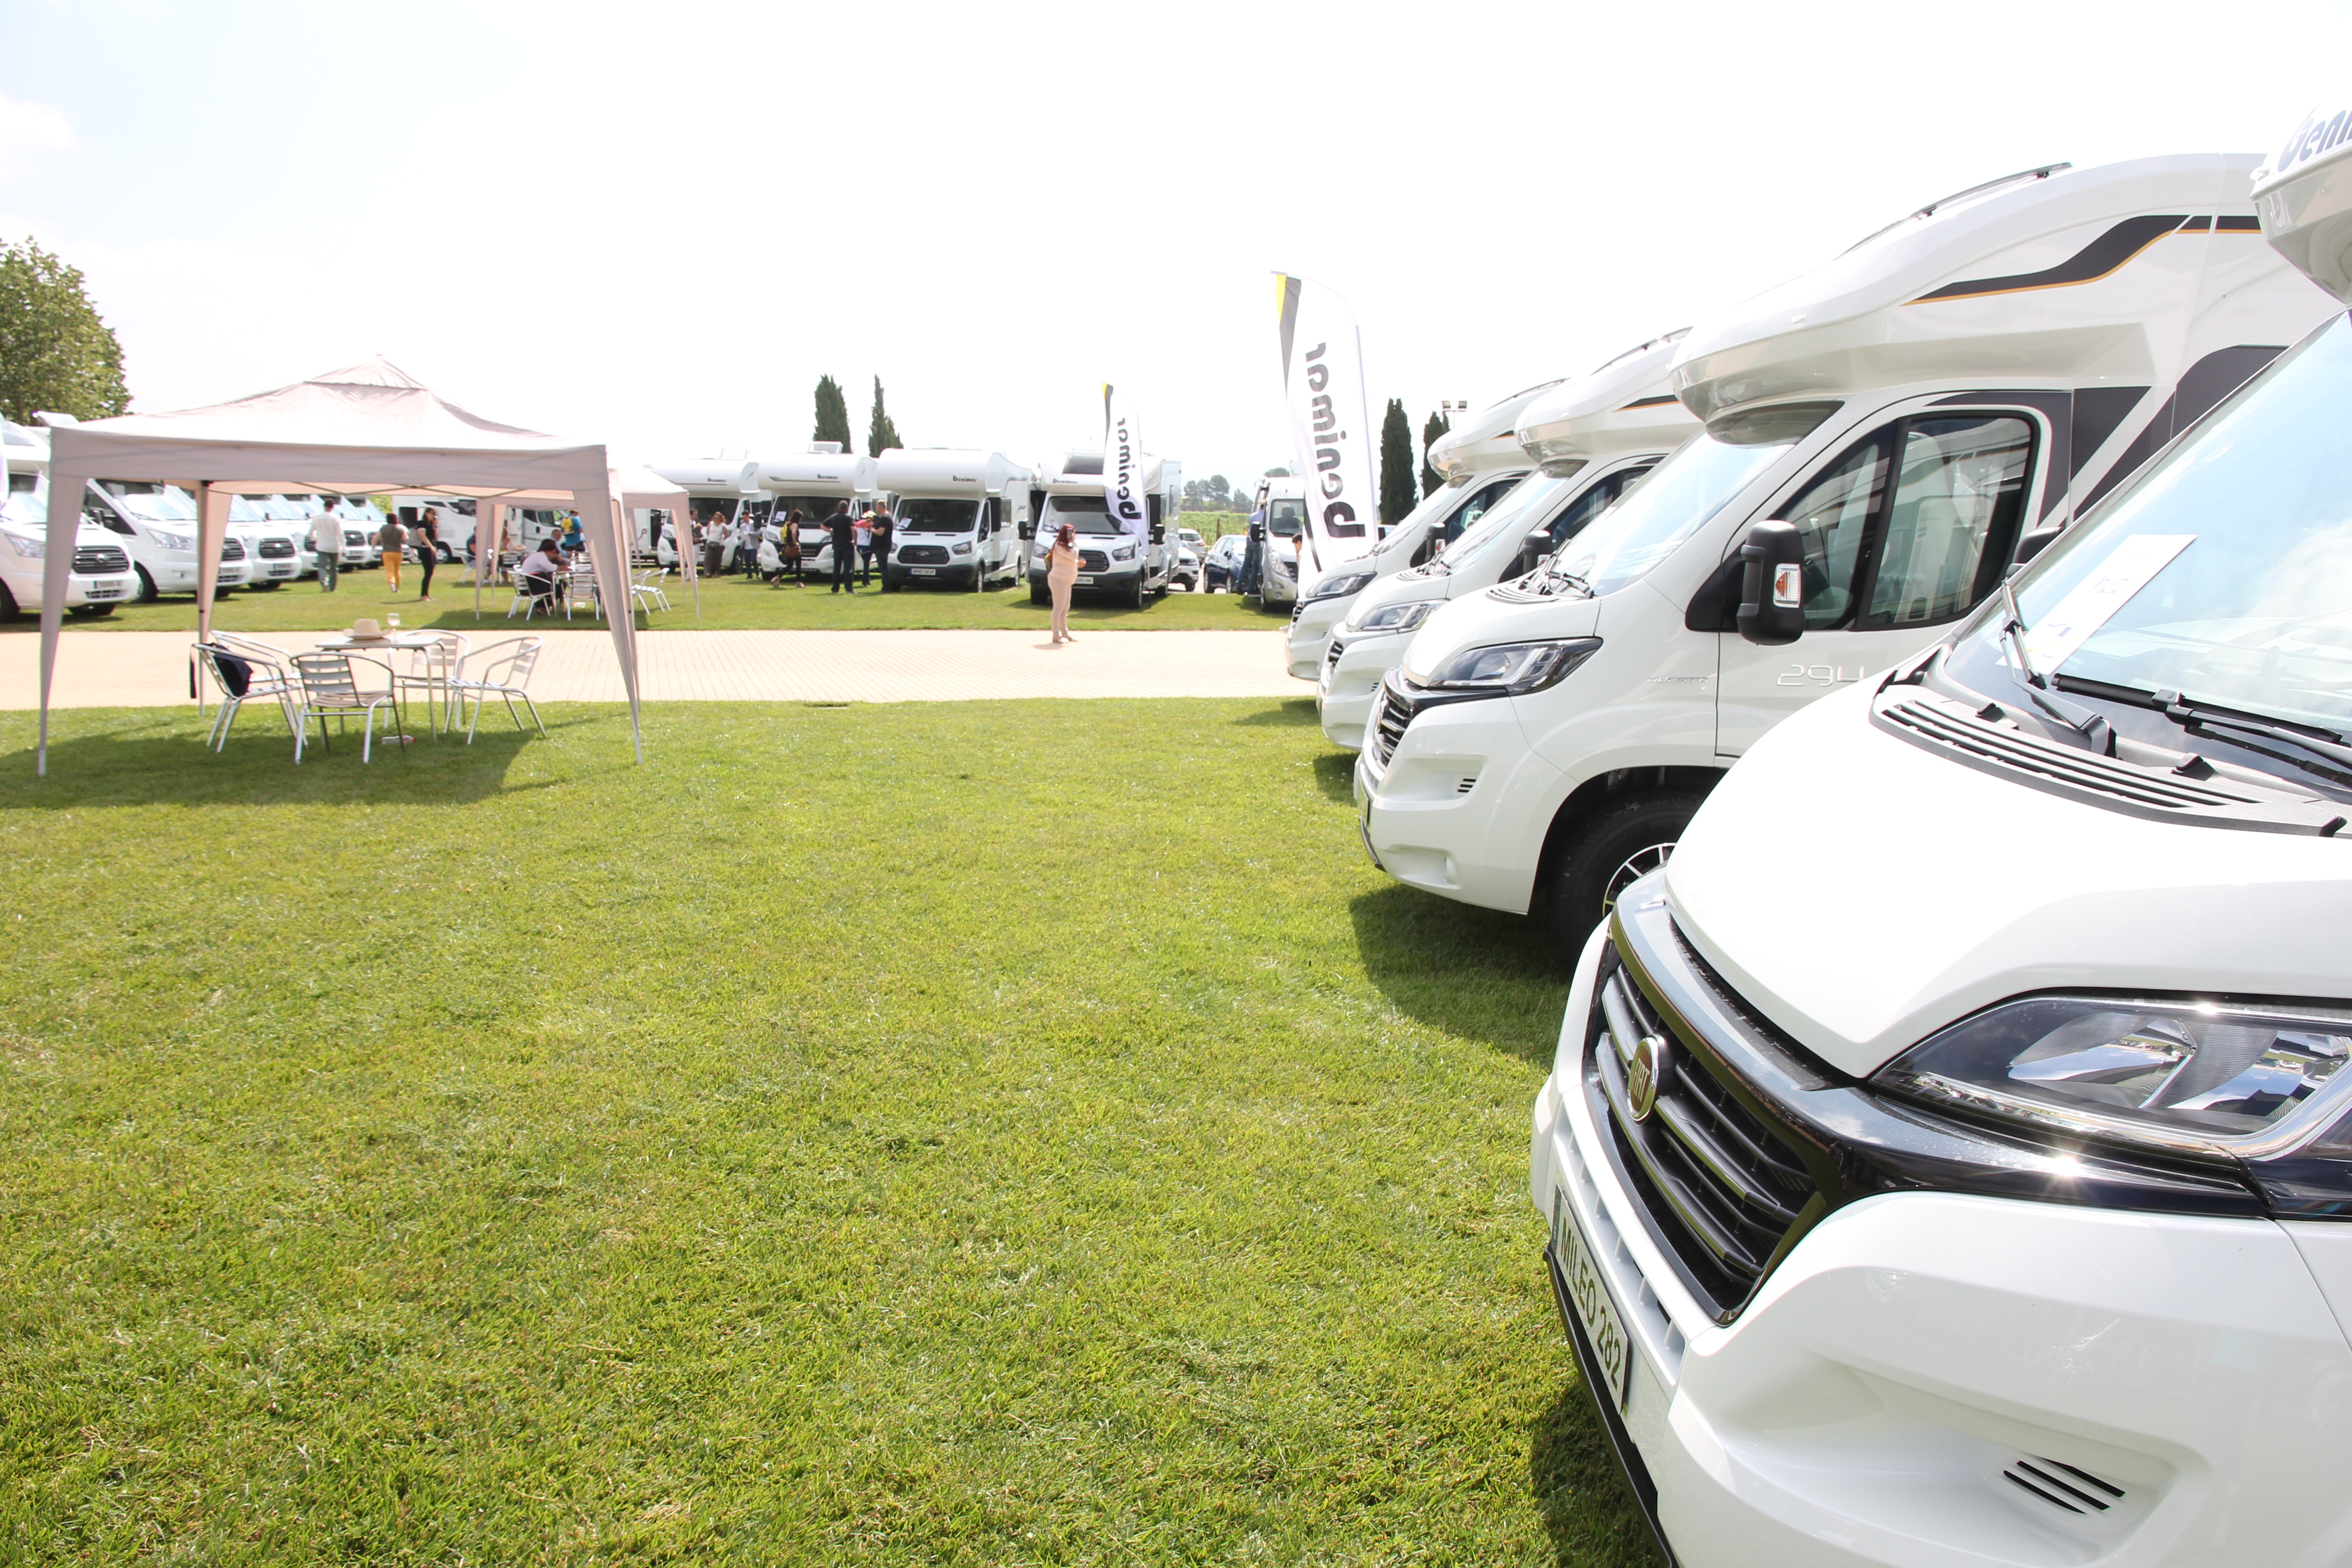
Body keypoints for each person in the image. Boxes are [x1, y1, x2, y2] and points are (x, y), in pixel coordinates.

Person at [1046, 520, 1080, 643]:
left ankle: (1065, 633)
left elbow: (1070, 560)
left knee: (1065, 608)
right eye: (1071, 533)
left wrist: (1078, 564)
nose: (1074, 535)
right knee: (1058, 607)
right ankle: (1056, 634)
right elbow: (1073, 555)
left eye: (1074, 533)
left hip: (1067, 581)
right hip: (1058, 579)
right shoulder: (1059, 546)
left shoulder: (1068, 547)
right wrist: (1073, 543)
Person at [516, 539, 564, 610]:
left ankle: (542, 606)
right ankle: (539, 606)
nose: (554, 556)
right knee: (560, 587)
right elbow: (551, 568)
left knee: (558, 585)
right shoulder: (541, 557)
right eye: (554, 553)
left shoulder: (537, 556)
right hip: (532, 585)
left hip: (527, 584)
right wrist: (562, 566)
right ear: (548, 551)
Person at [309, 502, 342, 593]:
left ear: (324, 506)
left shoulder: (317, 518)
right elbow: (340, 534)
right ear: (333, 507)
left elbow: (311, 533)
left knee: (322, 567)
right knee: (334, 568)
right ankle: (333, 587)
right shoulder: (336, 518)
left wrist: (316, 538)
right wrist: (343, 547)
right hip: (334, 545)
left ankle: (324, 583)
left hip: (322, 545)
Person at [827, 502, 856, 593]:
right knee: (848, 567)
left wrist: (831, 532)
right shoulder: (849, 518)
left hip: (837, 545)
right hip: (847, 545)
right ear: (847, 509)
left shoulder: (834, 517)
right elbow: (854, 529)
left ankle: (835, 588)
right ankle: (849, 588)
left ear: (838, 508)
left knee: (837, 568)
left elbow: (822, 525)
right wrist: (854, 540)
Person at [412, 509, 439, 602]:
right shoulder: (422, 523)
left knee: (431, 572)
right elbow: (422, 536)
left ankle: (426, 594)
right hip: (425, 549)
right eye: (432, 514)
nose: (434, 516)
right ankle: (423, 595)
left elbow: (436, 537)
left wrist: (436, 526)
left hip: (432, 549)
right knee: (428, 572)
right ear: (427, 514)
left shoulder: (431, 525)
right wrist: (431, 547)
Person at [379, 510, 408, 593]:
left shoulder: (384, 529)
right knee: (397, 570)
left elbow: (376, 538)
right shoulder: (400, 529)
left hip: (387, 552)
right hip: (398, 552)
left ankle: (392, 585)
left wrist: (373, 545)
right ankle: (398, 588)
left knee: (389, 570)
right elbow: (406, 539)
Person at [870, 505, 894, 592]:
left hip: (882, 547)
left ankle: (886, 588)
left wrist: (872, 530)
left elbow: (880, 533)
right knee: (883, 568)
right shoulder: (888, 517)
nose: (877, 509)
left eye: (877, 507)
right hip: (884, 546)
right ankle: (886, 587)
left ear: (880, 507)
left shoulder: (885, 519)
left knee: (883, 568)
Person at [853, 506, 875, 587]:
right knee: (867, 565)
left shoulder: (858, 524)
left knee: (866, 564)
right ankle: (865, 581)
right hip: (868, 546)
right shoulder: (871, 525)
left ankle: (867, 580)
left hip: (859, 546)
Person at [781, 509, 804, 586]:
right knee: (798, 565)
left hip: (789, 546)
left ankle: (778, 577)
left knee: (789, 566)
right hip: (794, 547)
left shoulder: (789, 524)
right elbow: (794, 533)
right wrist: (796, 543)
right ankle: (799, 582)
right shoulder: (795, 525)